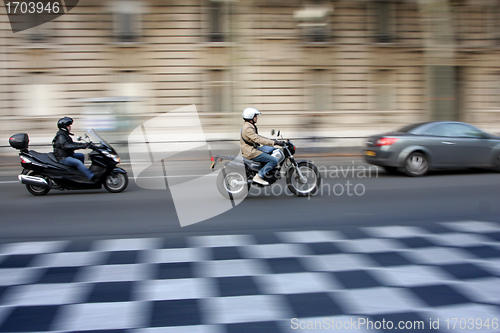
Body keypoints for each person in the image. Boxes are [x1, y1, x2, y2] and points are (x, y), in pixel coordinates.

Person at [240, 107, 285, 185]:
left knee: (271, 150)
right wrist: (274, 142)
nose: (256, 118)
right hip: (250, 151)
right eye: (255, 116)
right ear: (251, 117)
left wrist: (274, 142)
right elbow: (258, 139)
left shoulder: (248, 125)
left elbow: (258, 138)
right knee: (273, 160)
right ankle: (259, 176)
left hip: (252, 148)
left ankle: (267, 172)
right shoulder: (248, 127)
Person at [52, 116, 96, 181]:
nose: (70, 127)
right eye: (68, 126)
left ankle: (78, 173)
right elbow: (67, 146)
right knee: (77, 162)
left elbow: (72, 144)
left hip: (67, 155)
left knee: (81, 155)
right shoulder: (61, 136)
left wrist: (84, 145)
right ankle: (91, 177)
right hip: (63, 158)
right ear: (64, 127)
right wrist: (82, 146)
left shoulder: (64, 135)